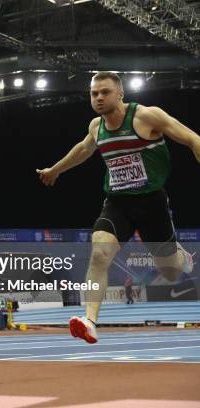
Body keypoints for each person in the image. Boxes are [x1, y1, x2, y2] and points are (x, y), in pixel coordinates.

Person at [37, 71, 198, 344]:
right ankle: (90, 321)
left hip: (152, 203)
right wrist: (56, 170)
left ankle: (184, 258)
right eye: (94, 93)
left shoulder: (147, 116)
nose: (99, 98)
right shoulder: (95, 127)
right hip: (118, 203)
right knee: (99, 251)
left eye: (105, 92)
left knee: (171, 270)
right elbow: (84, 149)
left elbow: (192, 139)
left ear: (120, 94)